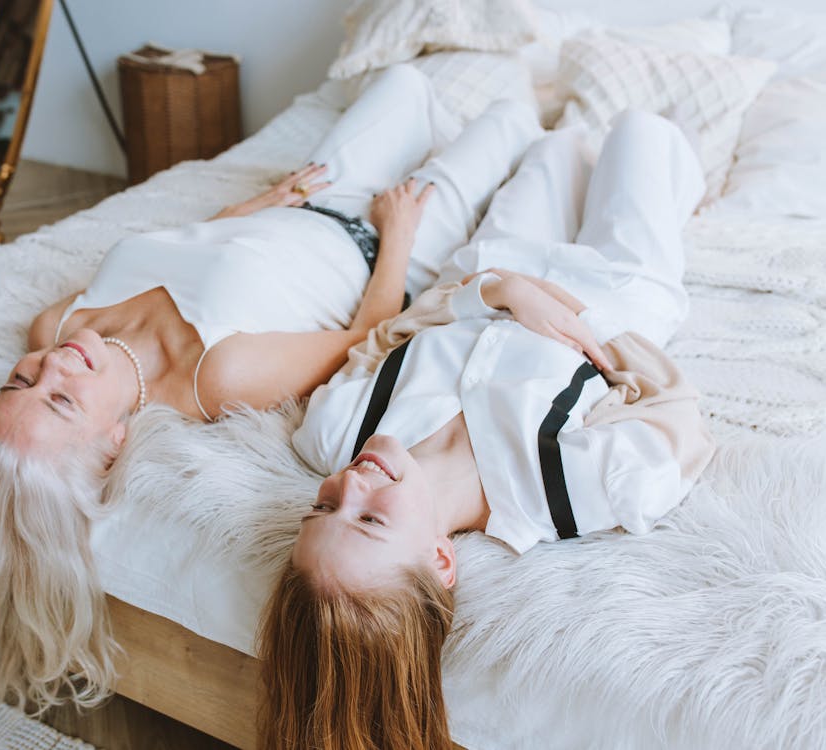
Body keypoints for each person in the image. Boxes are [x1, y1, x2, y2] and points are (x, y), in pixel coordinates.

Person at [0, 63, 545, 713]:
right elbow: (374, 329)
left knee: (405, 82)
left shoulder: (52, 326)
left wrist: (253, 207)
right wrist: (399, 229)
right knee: (506, 117)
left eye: (18, 381)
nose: (51, 366)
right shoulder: (217, 378)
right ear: (112, 444)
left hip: (306, 198)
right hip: (380, 244)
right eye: (60, 399)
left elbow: (182, 247)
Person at [257, 111, 718, 750]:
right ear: (440, 558)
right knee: (640, 129)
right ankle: (689, 176)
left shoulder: (333, 431)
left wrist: (500, 292)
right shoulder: (576, 487)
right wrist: (588, 323)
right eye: (368, 521)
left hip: (491, 266)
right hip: (618, 284)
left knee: (559, 143)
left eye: (323, 507)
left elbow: (386, 337)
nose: (351, 485)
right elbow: (675, 405)